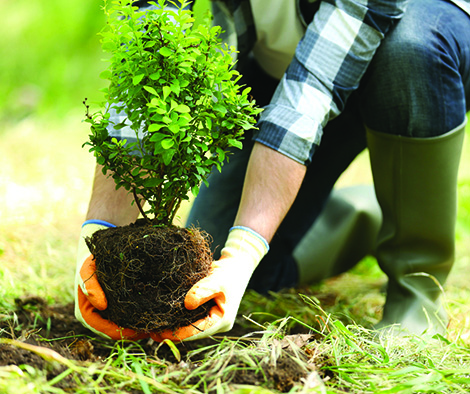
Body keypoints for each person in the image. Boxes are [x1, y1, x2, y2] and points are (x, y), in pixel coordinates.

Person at [75, 0, 470, 341]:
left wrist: (245, 250)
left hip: (411, 51)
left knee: (410, 51)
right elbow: (149, 48)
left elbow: (311, 93)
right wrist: (98, 238)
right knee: (217, 273)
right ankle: (369, 213)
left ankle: (416, 283)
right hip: (282, 70)